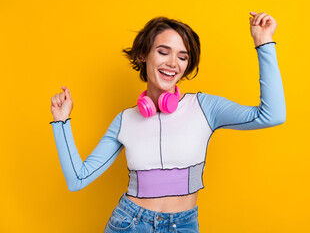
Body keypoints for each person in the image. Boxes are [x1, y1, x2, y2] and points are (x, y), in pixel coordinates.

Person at [50, 12, 286, 233]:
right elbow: (77, 179)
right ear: (143, 55)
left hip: (183, 224)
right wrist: (61, 122)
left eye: (183, 57)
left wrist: (263, 43)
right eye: (164, 52)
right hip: (128, 223)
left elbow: (272, 115)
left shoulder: (205, 108)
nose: (173, 63)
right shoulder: (125, 120)